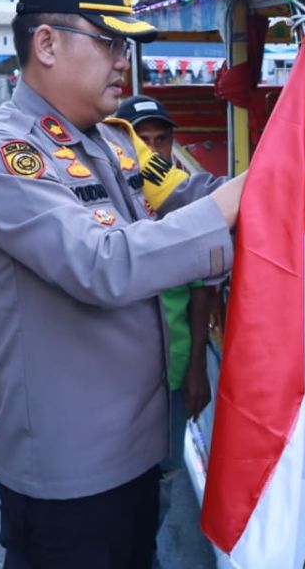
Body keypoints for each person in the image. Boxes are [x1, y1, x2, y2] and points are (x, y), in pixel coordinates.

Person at [0, 0, 245, 568]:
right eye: (109, 41)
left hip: (134, 449)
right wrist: (233, 203)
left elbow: (181, 200)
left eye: (127, 45)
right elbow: (101, 263)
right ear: (47, 43)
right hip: (73, 472)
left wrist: (272, 188)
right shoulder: (6, 156)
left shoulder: (108, 141)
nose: (123, 60)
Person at [114, 94, 214, 557]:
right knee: (118, 479)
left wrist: (196, 367)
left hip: (172, 368)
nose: (153, 149)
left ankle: (146, 553)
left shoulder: (185, 200)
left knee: (166, 473)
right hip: (118, 375)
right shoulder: (108, 195)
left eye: (161, 138)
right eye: (143, 141)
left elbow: (200, 288)